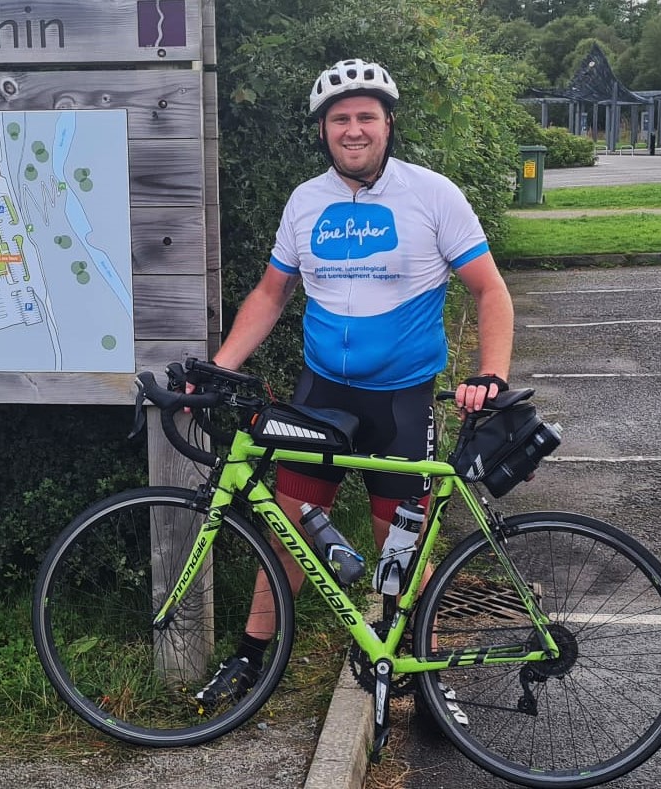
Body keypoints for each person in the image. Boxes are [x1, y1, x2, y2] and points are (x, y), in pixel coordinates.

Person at [195, 58, 515, 707]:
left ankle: (422, 675)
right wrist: (220, 366)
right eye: (340, 118)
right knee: (289, 525)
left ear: (387, 124)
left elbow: (490, 290)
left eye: (365, 115)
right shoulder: (306, 201)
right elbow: (271, 292)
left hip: (401, 399)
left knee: (397, 543)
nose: (353, 128)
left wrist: (492, 375)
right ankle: (252, 657)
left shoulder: (432, 194)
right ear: (323, 131)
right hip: (322, 394)